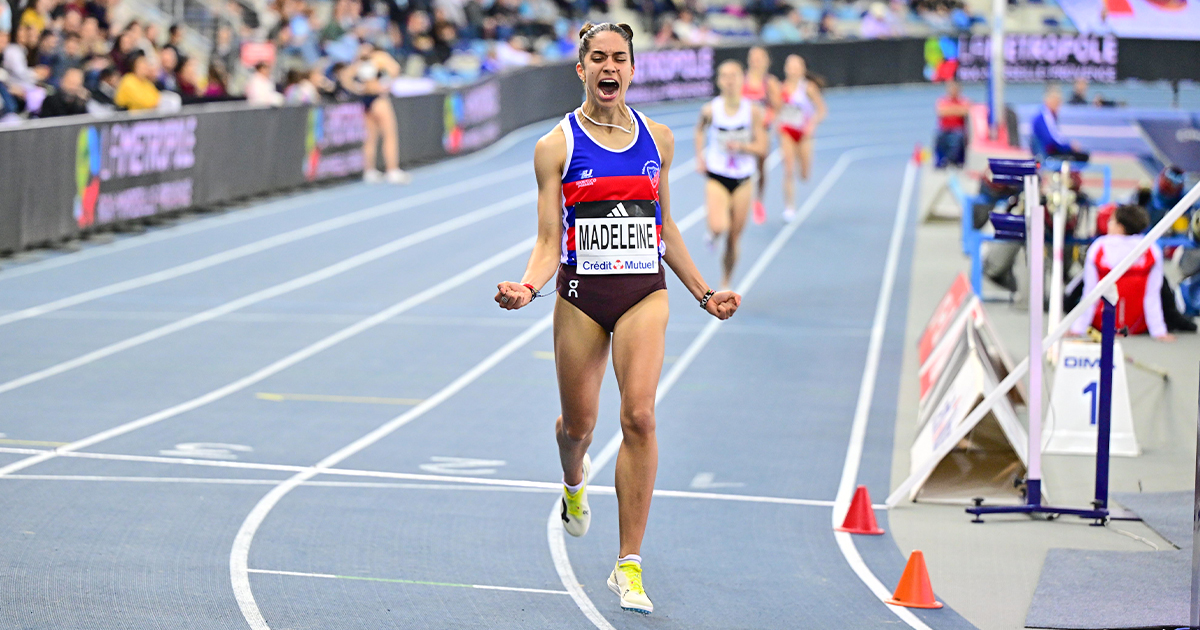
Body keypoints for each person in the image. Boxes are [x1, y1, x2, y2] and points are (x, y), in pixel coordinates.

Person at [493, 22, 740, 616]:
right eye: (598, 58)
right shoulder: (555, 146)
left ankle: (627, 563)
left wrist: (705, 293)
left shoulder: (659, 138)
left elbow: (666, 226)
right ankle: (573, 483)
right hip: (581, 294)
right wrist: (528, 286)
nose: (610, 67)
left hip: (642, 291)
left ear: (632, 70)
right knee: (577, 427)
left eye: (620, 58)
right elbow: (549, 238)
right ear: (581, 70)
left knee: (640, 416)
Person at [697, 60, 768, 289]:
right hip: (717, 175)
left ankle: (726, 281)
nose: (729, 80)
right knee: (719, 226)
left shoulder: (752, 111)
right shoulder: (710, 110)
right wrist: (700, 156)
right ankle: (712, 234)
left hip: (743, 179)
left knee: (733, 238)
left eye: (734, 75)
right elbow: (699, 130)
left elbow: (762, 147)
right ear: (719, 81)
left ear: (741, 80)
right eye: (725, 76)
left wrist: (742, 147)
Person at [1069, 204, 1173, 341]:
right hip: (1137, 326)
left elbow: (1090, 292)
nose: (1108, 224)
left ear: (1120, 226)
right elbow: (1152, 296)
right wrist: (1159, 331)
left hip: (1102, 325)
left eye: (1111, 221)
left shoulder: (1098, 247)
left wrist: (1078, 328)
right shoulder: (1152, 250)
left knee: (1072, 292)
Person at [346, 44, 409, 184]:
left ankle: (369, 170)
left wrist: (358, 88)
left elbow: (346, 77)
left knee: (370, 138)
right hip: (378, 99)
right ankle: (392, 169)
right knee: (389, 135)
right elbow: (395, 69)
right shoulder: (378, 57)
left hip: (366, 99)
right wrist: (386, 83)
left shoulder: (359, 62)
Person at [775, 54, 825, 222]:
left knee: (804, 175)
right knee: (788, 169)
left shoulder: (808, 88)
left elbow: (822, 110)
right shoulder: (780, 88)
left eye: (797, 66)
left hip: (804, 134)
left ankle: (801, 164)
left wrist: (812, 124)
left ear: (803, 69)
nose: (794, 69)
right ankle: (789, 208)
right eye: (791, 66)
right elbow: (774, 110)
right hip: (787, 131)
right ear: (786, 69)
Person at [740, 46, 779, 224]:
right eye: (752, 57)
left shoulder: (769, 82)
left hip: (762, 131)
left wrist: (767, 119)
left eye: (759, 57)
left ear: (766, 61)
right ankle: (740, 200)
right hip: (743, 131)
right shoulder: (741, 80)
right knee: (741, 166)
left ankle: (758, 201)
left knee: (761, 166)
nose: (755, 61)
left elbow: (777, 108)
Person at [1031, 85, 1089, 163]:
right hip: (1048, 153)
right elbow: (1051, 139)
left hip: (1051, 149)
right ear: (1049, 101)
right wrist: (1069, 146)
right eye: (1057, 102)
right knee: (1082, 156)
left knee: (1082, 155)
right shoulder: (1044, 116)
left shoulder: (1049, 116)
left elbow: (1056, 137)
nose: (1059, 106)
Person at [934, 79, 969, 168]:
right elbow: (941, 112)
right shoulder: (942, 100)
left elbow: (966, 111)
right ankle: (941, 160)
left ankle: (952, 160)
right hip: (945, 128)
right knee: (939, 137)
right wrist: (958, 110)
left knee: (958, 138)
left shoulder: (964, 101)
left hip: (958, 128)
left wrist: (950, 110)